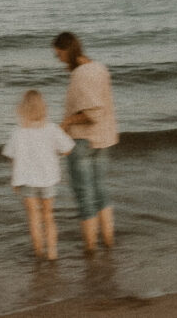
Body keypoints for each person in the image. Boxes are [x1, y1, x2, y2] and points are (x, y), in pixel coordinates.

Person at [52, 31, 119, 251]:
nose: (58, 59)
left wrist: (67, 121)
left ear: (66, 50)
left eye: (58, 54)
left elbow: (92, 112)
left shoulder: (81, 74)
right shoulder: (99, 68)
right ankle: (108, 241)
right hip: (103, 138)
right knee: (100, 190)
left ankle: (91, 247)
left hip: (83, 140)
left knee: (84, 195)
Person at [2, 89, 76, 260]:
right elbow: (68, 148)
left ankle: (39, 252)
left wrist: (14, 181)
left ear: (22, 109)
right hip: (48, 180)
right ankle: (52, 253)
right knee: (49, 216)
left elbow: (12, 158)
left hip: (27, 181)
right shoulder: (52, 129)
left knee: (34, 218)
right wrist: (55, 155)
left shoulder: (18, 132)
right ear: (43, 107)